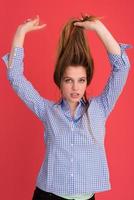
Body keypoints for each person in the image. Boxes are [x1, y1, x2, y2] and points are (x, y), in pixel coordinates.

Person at [2, 14, 132, 200]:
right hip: (48, 195)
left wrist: (98, 28)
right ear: (60, 82)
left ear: (87, 82)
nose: (75, 87)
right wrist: (20, 32)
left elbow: (122, 67)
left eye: (81, 80)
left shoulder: (100, 108)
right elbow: (15, 77)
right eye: (68, 80)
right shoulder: (47, 111)